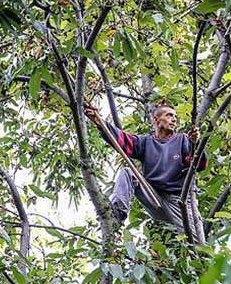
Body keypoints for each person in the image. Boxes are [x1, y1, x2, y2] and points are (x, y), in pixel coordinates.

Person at [84, 102, 208, 244]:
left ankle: (203, 263)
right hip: (154, 197)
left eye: (175, 116)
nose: (174, 119)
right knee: (127, 173)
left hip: (179, 202)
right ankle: (116, 215)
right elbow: (122, 140)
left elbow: (199, 165)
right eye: (169, 115)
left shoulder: (182, 140)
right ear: (156, 119)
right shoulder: (146, 142)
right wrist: (98, 121)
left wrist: (195, 144)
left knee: (198, 247)